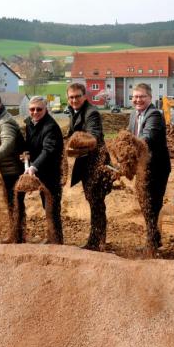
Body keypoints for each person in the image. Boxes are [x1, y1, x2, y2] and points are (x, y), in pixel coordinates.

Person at [66, 83, 112, 250]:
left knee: (97, 202)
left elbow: (93, 136)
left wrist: (74, 143)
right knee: (93, 201)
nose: (74, 100)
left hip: (96, 163)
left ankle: (98, 242)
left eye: (78, 96)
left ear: (84, 96)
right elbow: (72, 132)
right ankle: (97, 239)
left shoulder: (91, 113)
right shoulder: (74, 111)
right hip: (86, 163)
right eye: (71, 97)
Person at [127, 83, 171, 249]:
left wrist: (128, 148)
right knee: (145, 204)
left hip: (156, 168)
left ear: (150, 98)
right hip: (142, 168)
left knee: (152, 204)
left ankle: (152, 243)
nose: (138, 100)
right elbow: (130, 134)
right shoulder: (134, 115)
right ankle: (154, 238)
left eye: (142, 97)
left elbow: (147, 139)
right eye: (135, 97)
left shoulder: (154, 115)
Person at [24, 96, 65, 243]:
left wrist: (34, 166)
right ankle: (52, 237)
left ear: (45, 109)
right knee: (45, 205)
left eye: (39, 109)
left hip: (51, 172)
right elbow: (30, 143)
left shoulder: (50, 127)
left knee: (52, 207)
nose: (35, 112)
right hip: (39, 171)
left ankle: (57, 240)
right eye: (32, 109)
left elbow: (48, 150)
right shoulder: (30, 123)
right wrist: (25, 153)